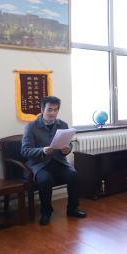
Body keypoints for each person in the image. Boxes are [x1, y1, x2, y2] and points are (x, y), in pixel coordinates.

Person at [21, 96, 87, 225]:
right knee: (45, 180)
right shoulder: (31, 127)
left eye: (55, 110)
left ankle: (72, 209)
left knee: (73, 175)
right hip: (40, 164)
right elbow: (25, 151)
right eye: (49, 109)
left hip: (58, 161)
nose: (52, 113)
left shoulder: (62, 125)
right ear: (42, 110)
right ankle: (46, 212)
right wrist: (42, 150)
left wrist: (67, 149)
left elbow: (69, 144)